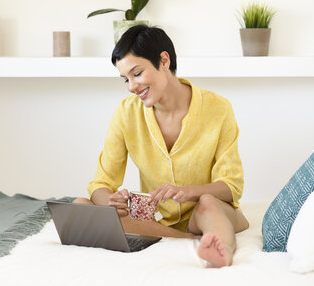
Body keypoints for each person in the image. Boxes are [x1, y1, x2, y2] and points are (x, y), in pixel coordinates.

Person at [74, 25, 249, 268]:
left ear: (163, 60)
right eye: (125, 79)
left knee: (207, 203)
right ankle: (182, 238)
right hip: (156, 220)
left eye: (137, 73)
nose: (131, 87)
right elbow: (100, 185)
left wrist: (188, 191)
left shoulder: (218, 108)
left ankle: (222, 252)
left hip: (209, 213)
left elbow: (231, 187)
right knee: (80, 206)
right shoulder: (126, 114)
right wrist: (112, 201)